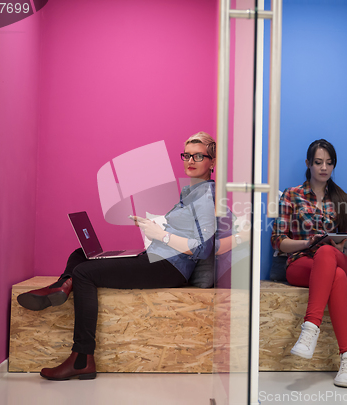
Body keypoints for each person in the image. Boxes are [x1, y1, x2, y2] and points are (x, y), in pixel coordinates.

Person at [17, 132, 217, 381]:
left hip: (168, 267)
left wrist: (161, 235)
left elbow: (203, 248)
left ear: (212, 162)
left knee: (84, 273)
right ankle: (61, 286)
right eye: (186, 154)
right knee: (81, 254)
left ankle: (82, 358)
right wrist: (154, 227)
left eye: (198, 155)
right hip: (157, 258)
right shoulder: (191, 193)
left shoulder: (206, 197)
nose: (190, 159)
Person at [271, 139, 347, 388]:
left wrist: (344, 246)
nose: (324, 168)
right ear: (308, 163)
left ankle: (310, 330)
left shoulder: (342, 199)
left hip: (337, 259)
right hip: (301, 263)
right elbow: (278, 241)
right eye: (318, 162)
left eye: (329, 163)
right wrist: (307, 242)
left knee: (328, 254)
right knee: (335, 273)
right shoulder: (291, 195)